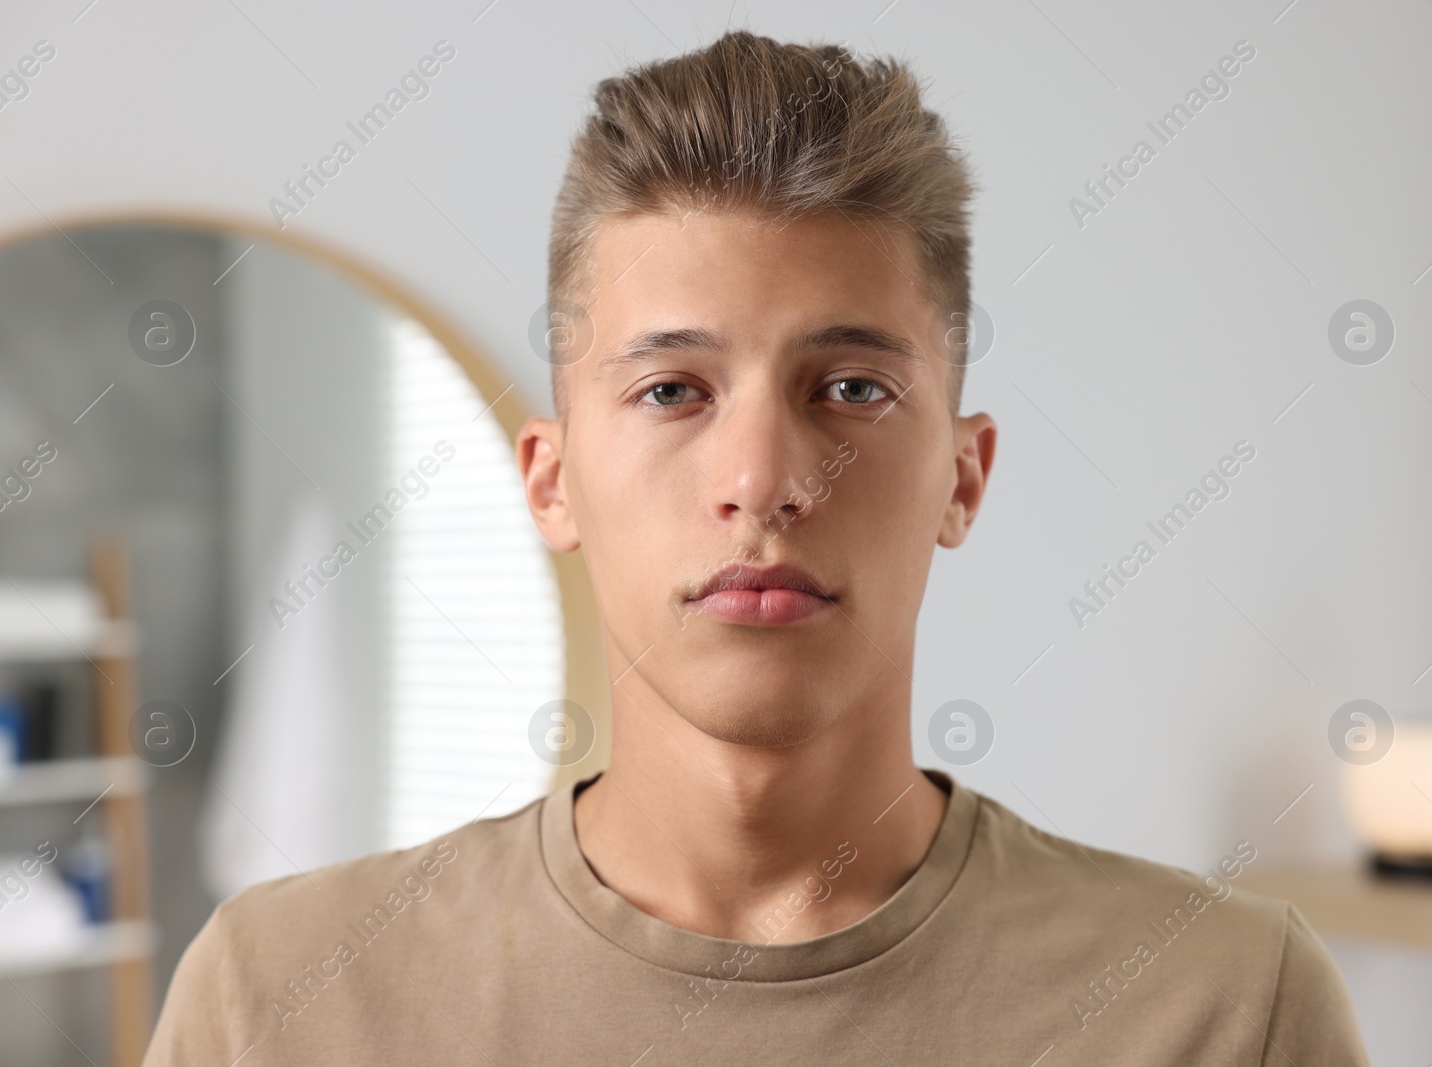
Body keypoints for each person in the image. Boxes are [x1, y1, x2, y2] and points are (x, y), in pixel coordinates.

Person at [144, 30, 1370, 1064]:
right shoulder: (279, 999)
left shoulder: (1223, 1005)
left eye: (848, 387)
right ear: (553, 481)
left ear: (963, 472)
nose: (763, 482)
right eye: (673, 391)